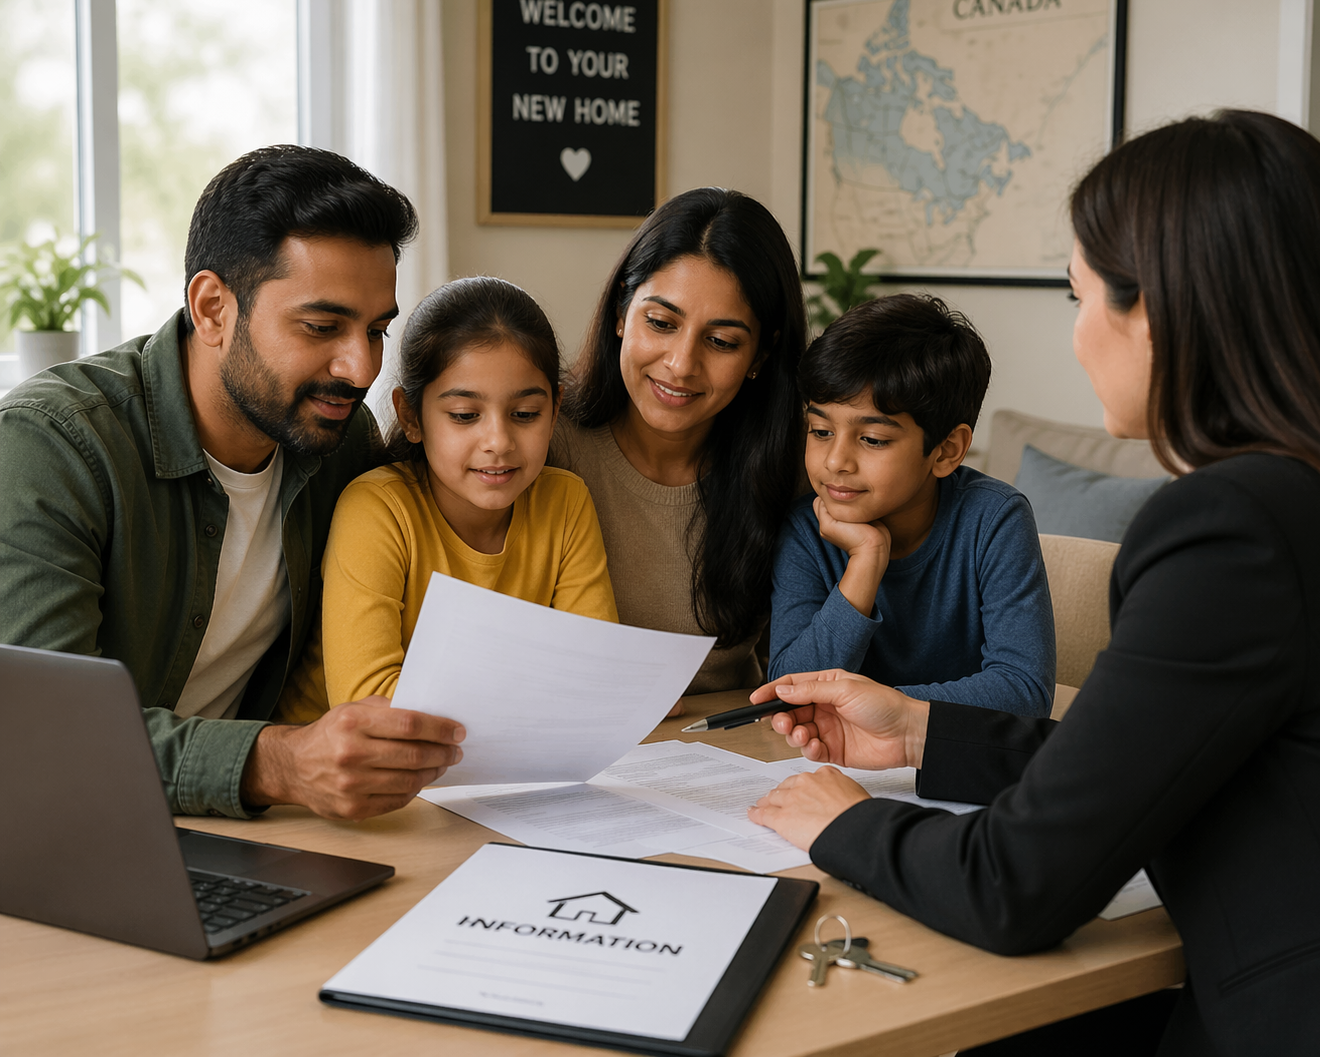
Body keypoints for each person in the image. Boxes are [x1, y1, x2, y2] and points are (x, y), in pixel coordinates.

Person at [747, 111, 1320, 1055]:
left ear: (1164, 311)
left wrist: (846, 822)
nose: (1078, 337)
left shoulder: (1233, 530)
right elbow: (1154, 753)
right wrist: (923, 730)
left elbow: (1015, 884)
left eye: (1079, 296)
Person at [0, 146, 466, 822]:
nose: (361, 368)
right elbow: (42, 733)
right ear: (213, 308)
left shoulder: (343, 442)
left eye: (377, 331)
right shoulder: (51, 447)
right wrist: (279, 764)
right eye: (322, 327)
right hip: (62, 830)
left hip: (244, 833)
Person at [284, 277, 617, 715]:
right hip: (342, 754)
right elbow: (369, 704)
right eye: (464, 415)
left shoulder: (565, 501)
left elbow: (595, 671)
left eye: (524, 414)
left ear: (554, 411)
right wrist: (549, 693)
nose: (498, 441)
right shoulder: (377, 509)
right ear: (411, 416)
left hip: (489, 750)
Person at [550, 187, 807, 701]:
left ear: (761, 354)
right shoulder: (542, 439)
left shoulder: (797, 464)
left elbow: (801, 669)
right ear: (621, 311)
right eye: (661, 323)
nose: (681, 364)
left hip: (732, 740)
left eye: (722, 341)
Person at [767, 294, 1053, 717]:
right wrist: (865, 563)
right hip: (835, 753)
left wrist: (886, 707)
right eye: (821, 431)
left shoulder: (995, 519)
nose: (835, 462)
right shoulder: (806, 528)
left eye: (873, 439)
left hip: (949, 752)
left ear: (946, 451)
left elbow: (1024, 691)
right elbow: (788, 692)